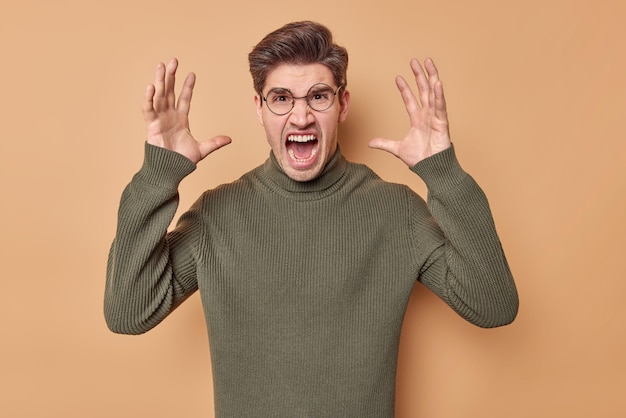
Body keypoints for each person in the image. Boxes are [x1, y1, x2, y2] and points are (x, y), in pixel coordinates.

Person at [105, 20, 518, 417]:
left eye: (318, 96)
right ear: (259, 108)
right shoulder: (218, 215)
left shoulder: (396, 212)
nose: (300, 117)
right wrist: (159, 174)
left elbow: (494, 305)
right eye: (281, 98)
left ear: (342, 104)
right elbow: (128, 311)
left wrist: (442, 171)